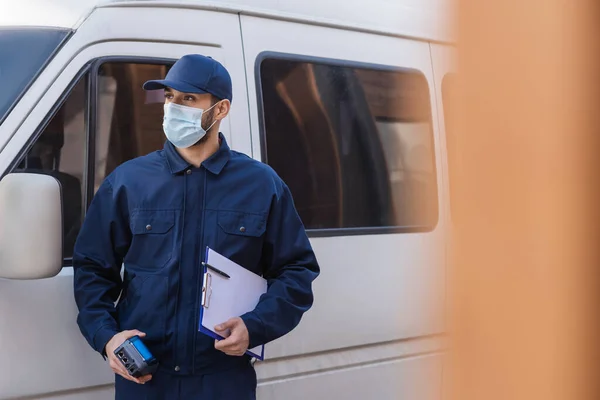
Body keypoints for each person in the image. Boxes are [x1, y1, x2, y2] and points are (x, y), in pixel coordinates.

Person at [73, 54, 320, 400]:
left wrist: (255, 326)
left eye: (188, 98)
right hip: (145, 379)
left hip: (222, 380)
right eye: (170, 97)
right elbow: (92, 268)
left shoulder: (262, 186)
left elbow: (296, 271)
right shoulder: (129, 182)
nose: (174, 106)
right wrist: (107, 336)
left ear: (220, 110)